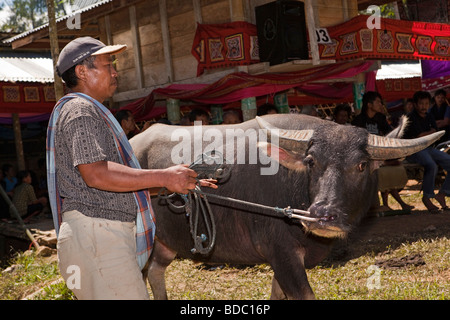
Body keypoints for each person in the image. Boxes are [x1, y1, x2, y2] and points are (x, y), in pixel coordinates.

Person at [48, 36, 217, 300]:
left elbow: (110, 182)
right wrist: (164, 175)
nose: (115, 72)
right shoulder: (81, 111)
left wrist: (177, 182)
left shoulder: (89, 111)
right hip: (98, 237)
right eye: (107, 65)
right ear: (82, 71)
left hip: (100, 236)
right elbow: (95, 174)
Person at [352, 91, 413, 212]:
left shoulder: (380, 118)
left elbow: (389, 134)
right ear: (369, 105)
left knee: (394, 168)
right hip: (366, 158)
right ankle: (396, 203)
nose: (381, 105)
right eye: (378, 102)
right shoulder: (358, 121)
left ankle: (389, 204)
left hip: (380, 155)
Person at [403, 90, 450, 213]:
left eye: (426, 103)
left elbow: (435, 132)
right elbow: (419, 137)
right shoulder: (410, 118)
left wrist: (429, 133)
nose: (424, 106)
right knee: (431, 165)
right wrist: (431, 133)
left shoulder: (429, 116)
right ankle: (427, 197)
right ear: (415, 104)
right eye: (421, 103)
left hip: (429, 148)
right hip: (414, 150)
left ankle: (442, 194)